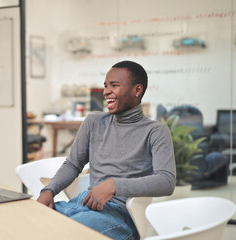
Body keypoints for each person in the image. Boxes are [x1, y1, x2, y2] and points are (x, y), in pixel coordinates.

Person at [37, 60, 176, 240]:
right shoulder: (94, 122)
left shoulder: (156, 131)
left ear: (137, 90)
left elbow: (166, 181)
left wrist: (114, 185)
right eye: (105, 86)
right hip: (82, 203)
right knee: (31, 222)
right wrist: (49, 190)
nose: (106, 91)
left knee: (61, 235)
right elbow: (73, 164)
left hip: (119, 215)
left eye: (114, 85)